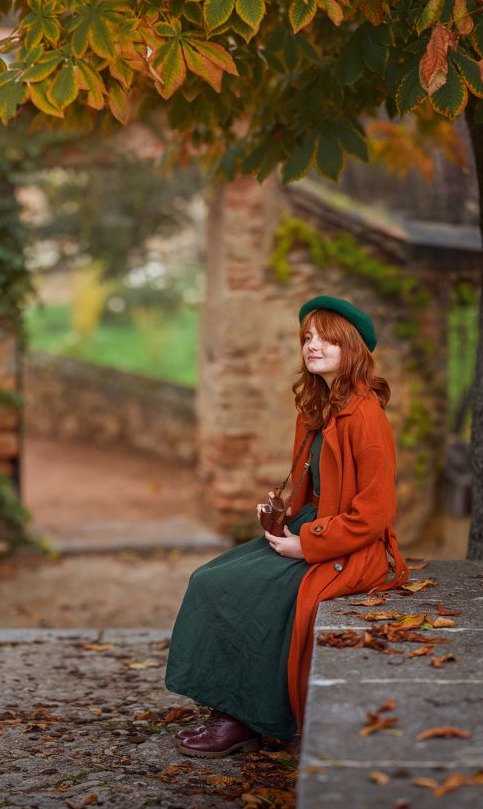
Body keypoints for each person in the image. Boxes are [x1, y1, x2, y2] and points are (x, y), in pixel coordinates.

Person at [164, 294, 409, 757]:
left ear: (351, 346)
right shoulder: (317, 408)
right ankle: (228, 703)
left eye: (325, 338)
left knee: (251, 595)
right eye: (308, 338)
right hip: (307, 529)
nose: (312, 346)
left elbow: (374, 514)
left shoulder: (366, 416)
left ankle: (244, 717)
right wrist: (281, 509)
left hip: (348, 548)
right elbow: (308, 482)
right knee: (209, 579)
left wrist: (308, 544)